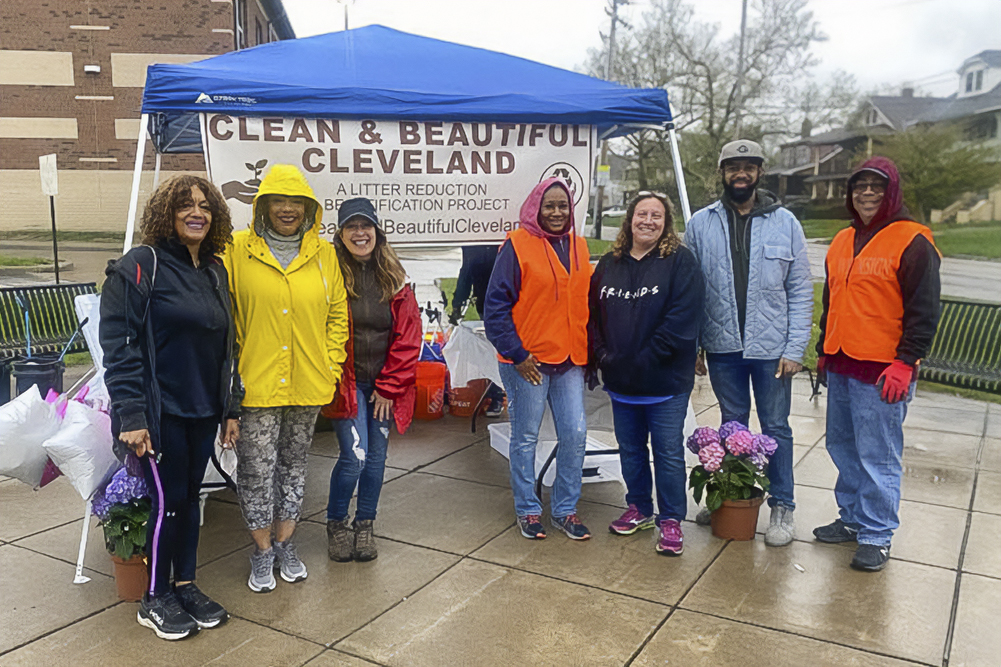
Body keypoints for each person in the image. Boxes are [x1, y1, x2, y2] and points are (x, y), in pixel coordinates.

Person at [101, 175, 240, 640]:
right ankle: (155, 597)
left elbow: (228, 346)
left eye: (205, 206)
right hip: (157, 416)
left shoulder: (214, 270)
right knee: (167, 504)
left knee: (189, 500)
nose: (197, 213)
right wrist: (132, 416)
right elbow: (120, 348)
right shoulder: (142, 266)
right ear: (167, 213)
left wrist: (231, 409)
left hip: (201, 411)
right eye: (185, 205)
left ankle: (185, 585)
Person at [224, 164, 349, 592]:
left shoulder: (324, 254)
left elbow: (337, 316)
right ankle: (262, 552)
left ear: (308, 208)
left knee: (295, 467)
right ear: (263, 205)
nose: (287, 209)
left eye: (296, 201)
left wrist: (331, 366)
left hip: (307, 383)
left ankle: (285, 544)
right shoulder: (237, 250)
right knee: (256, 471)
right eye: (278, 200)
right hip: (257, 385)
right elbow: (224, 315)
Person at [813, 157, 941, 572]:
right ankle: (852, 518)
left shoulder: (913, 241)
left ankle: (877, 533)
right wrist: (823, 349)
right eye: (860, 186)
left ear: (892, 192)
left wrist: (907, 361)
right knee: (842, 446)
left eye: (876, 186)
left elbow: (924, 310)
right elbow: (832, 299)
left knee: (878, 455)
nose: (867, 193)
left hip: (883, 369)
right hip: (841, 361)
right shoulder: (842, 239)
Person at [684, 139, 813, 547]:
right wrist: (695, 345)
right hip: (723, 347)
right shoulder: (701, 224)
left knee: (776, 427)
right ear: (722, 173)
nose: (741, 174)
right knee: (732, 425)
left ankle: (782, 505)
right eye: (733, 167)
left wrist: (795, 348)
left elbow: (800, 289)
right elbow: (690, 290)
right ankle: (730, 494)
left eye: (749, 167)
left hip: (772, 351)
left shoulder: (785, 223)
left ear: (759, 172)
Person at [588, 192, 704, 556]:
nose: (648, 221)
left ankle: (670, 519)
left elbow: (682, 320)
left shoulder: (681, 262)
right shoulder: (610, 262)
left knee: (667, 453)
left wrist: (640, 359)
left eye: (657, 215)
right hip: (621, 382)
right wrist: (603, 355)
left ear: (666, 223)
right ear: (630, 219)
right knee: (631, 449)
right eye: (642, 214)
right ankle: (638, 507)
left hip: (665, 382)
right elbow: (593, 315)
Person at [484, 177, 593, 541]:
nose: (557, 212)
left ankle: (565, 509)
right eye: (550, 206)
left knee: (575, 433)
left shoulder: (580, 246)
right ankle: (528, 509)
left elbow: (586, 304)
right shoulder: (516, 245)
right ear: (536, 208)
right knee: (526, 437)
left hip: (569, 359)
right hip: (527, 361)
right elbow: (495, 307)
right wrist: (517, 354)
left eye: (563, 206)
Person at [324, 197, 421, 563]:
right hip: (346, 386)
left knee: (376, 459)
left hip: (383, 389)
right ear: (340, 234)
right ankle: (336, 523)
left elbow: (409, 337)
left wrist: (389, 388)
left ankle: (365, 523)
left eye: (366, 226)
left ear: (377, 232)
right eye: (351, 226)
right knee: (355, 458)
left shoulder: (396, 278)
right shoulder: (329, 273)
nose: (360, 233)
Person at [449, 244, 506, 417]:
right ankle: (495, 394)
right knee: (493, 351)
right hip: (486, 302)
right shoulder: (473, 241)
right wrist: (458, 302)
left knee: (502, 349)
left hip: (511, 300)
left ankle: (499, 394)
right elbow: (467, 269)